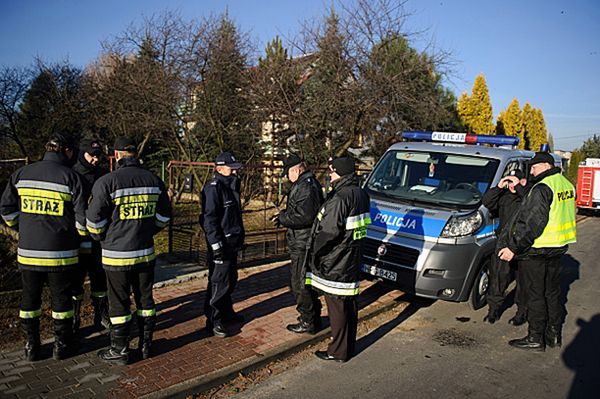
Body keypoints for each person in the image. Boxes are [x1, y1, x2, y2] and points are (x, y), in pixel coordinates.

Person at [0, 133, 87, 361]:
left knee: (29, 301)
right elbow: (81, 222)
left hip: (28, 254)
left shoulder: (21, 174)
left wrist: (23, 228)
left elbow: (6, 210)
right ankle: (62, 346)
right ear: (65, 150)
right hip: (61, 255)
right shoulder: (71, 177)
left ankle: (32, 347)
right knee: (61, 302)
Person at [87, 137, 172, 364]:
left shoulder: (107, 182)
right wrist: (148, 232)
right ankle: (146, 346)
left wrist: (104, 237)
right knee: (146, 301)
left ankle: (120, 349)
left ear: (116, 156)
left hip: (116, 256)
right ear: (135, 154)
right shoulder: (154, 180)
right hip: (145, 253)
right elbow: (164, 217)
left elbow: (94, 224)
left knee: (119, 303)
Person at [498, 152, 576, 351]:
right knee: (552, 293)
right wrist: (523, 189)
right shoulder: (565, 184)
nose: (531, 170)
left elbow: (533, 222)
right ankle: (553, 335)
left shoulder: (542, 187)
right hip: (558, 248)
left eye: (534, 167)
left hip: (537, 249)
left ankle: (535, 337)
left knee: (535, 295)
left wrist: (513, 248)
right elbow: (545, 208)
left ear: (545, 165)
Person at [305, 156, 370, 362]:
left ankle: (337, 351)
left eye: (332, 171)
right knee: (349, 306)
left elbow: (329, 232)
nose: (329, 174)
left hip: (335, 260)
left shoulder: (340, 197)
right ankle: (347, 347)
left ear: (340, 172)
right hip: (350, 257)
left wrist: (315, 252)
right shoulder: (360, 193)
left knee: (337, 308)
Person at [272, 154, 323, 334]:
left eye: (287, 173)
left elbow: (305, 216)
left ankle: (308, 320)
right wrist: (283, 215)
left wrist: (284, 217)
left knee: (299, 282)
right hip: (302, 240)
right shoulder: (306, 183)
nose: (286, 177)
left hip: (303, 241)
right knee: (304, 280)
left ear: (296, 169)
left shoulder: (305, 186)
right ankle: (312, 316)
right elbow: (300, 210)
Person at [200, 152, 245, 338]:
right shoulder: (214, 188)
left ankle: (227, 313)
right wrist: (216, 246)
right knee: (219, 283)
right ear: (219, 168)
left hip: (233, 242)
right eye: (230, 168)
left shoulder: (231, 185)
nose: (234, 171)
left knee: (230, 279)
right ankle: (214, 320)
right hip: (221, 244)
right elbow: (209, 219)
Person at [72, 139, 110, 333]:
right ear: (82, 154)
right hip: (76, 239)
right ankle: (74, 318)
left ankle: (101, 315)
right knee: (75, 283)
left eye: (98, 156)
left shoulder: (104, 175)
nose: (95, 159)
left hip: (98, 238)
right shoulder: (72, 174)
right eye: (91, 156)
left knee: (99, 280)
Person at [482, 169, 529, 325]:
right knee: (498, 278)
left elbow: (530, 206)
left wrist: (520, 188)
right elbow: (487, 202)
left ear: (523, 182)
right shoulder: (504, 196)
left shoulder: (528, 195)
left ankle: (521, 313)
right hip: (504, 243)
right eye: (509, 181)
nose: (511, 185)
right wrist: (499, 187)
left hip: (523, 245)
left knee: (523, 282)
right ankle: (493, 311)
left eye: (514, 181)